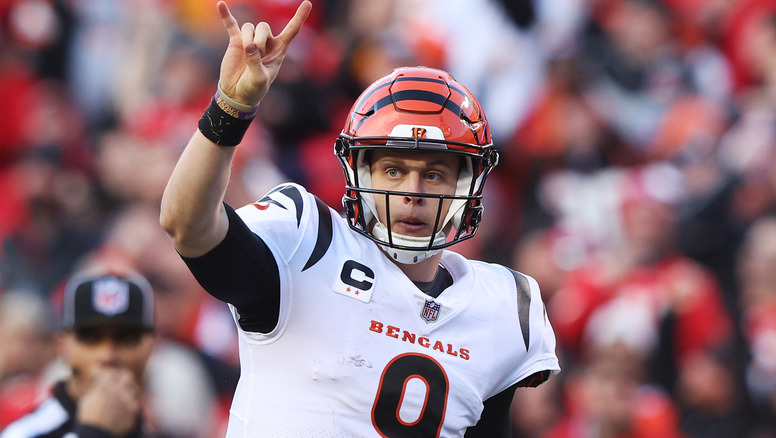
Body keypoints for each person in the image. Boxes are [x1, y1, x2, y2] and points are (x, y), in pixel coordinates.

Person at [159, 1, 560, 436]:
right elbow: (187, 224)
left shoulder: (503, 308)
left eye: (435, 174)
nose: (413, 193)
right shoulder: (305, 243)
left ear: (468, 188)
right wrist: (229, 110)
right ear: (357, 173)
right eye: (393, 171)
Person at [0, 268, 156, 438]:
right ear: (63, 345)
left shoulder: (172, 426)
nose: (108, 355)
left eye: (126, 338)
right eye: (90, 339)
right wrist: (94, 432)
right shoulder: (25, 433)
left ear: (151, 345)